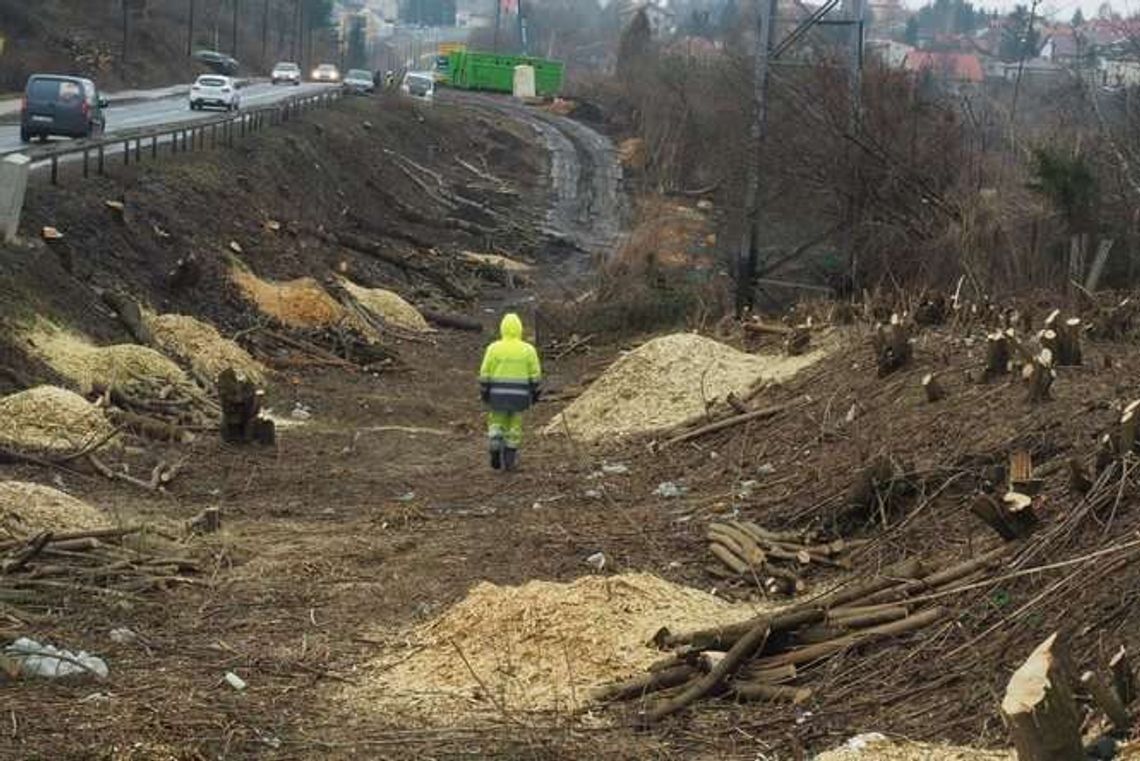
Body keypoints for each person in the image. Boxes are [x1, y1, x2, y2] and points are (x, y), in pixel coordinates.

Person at [479, 313, 542, 471]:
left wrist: (485, 392)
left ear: (502, 328)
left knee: (496, 422)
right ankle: (510, 460)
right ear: (520, 329)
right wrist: (535, 394)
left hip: (497, 394)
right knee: (515, 426)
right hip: (520, 396)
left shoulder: (493, 348)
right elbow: (535, 375)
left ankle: (494, 445)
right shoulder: (528, 350)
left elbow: (485, 373)